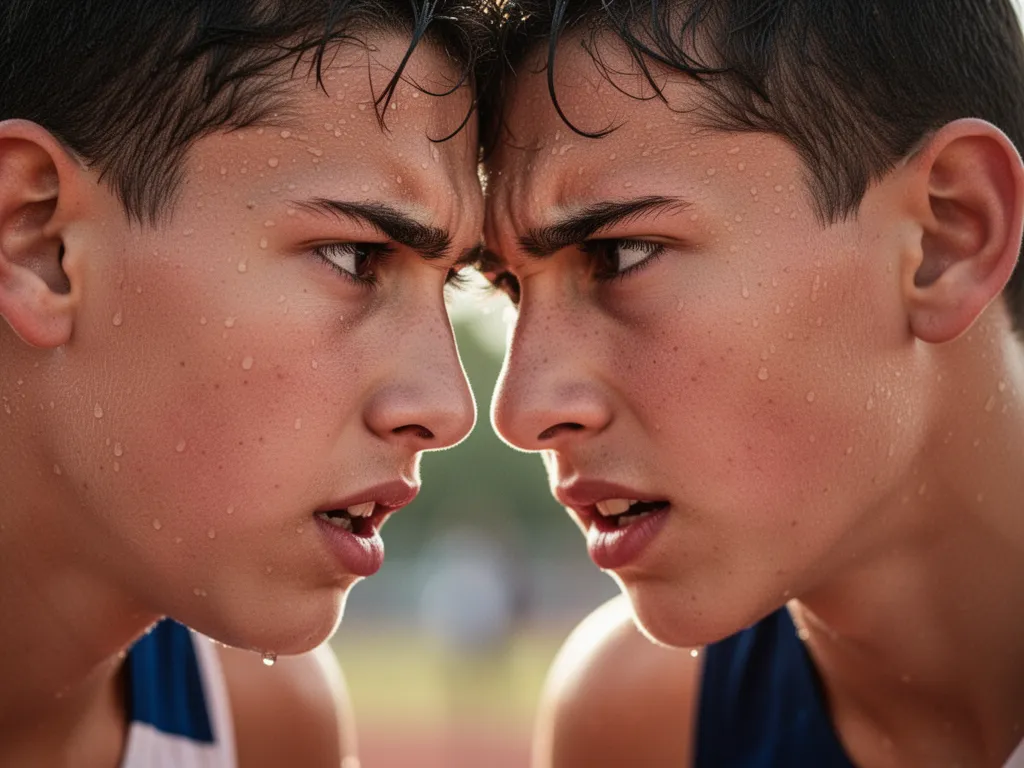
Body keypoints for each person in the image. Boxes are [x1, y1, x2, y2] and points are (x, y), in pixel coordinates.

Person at [479, 1, 1024, 765]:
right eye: (508, 288)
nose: (519, 408)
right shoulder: (642, 724)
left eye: (621, 254)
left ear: (946, 234)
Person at [0, 1, 484, 765]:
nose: (449, 408)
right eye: (357, 258)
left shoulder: (267, 728)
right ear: (40, 239)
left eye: (449, 283)